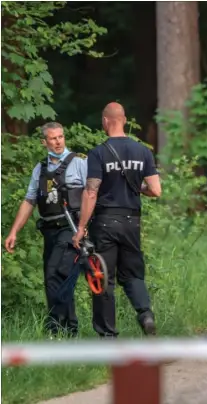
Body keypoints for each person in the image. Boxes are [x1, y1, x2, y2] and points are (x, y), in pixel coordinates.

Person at [72, 102, 161, 338]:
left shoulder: (98, 153)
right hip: (132, 221)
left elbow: (91, 192)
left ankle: (108, 336)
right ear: (124, 119)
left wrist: (81, 227)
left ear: (105, 121)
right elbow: (155, 190)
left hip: (105, 222)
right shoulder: (142, 151)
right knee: (133, 275)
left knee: (103, 276)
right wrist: (135, 186)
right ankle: (146, 315)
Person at [4, 122, 88, 338]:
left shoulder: (78, 163)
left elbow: (92, 194)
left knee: (55, 274)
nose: (58, 141)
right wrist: (14, 232)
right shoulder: (40, 169)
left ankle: (54, 328)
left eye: (61, 137)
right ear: (44, 142)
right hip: (49, 231)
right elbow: (29, 200)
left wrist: (86, 226)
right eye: (53, 138)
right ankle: (70, 330)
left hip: (70, 229)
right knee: (57, 277)